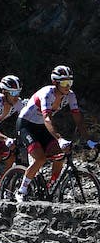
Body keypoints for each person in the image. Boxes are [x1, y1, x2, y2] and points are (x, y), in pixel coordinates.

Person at [16, 65, 83, 201]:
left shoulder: (70, 95)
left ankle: (51, 185)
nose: (67, 86)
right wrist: (59, 138)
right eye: (64, 83)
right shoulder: (47, 93)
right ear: (55, 83)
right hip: (26, 125)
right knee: (40, 158)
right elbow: (47, 118)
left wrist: (88, 139)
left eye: (70, 82)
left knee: (61, 153)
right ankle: (21, 190)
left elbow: (77, 117)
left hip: (41, 126)